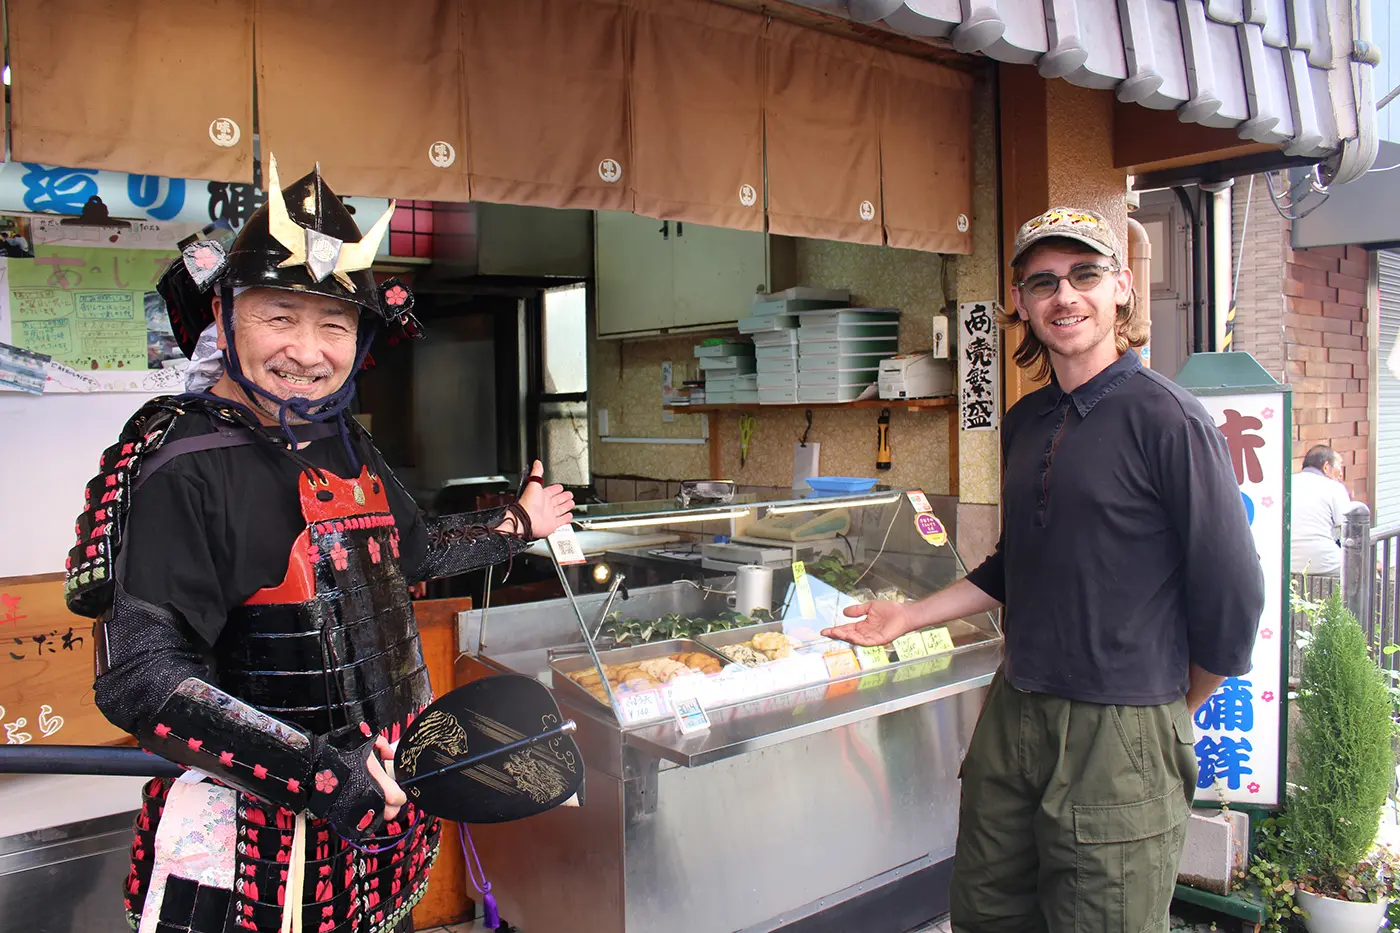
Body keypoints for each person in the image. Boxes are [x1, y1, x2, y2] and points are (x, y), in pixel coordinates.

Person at [64, 157, 575, 933]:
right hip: (255, 858)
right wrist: (319, 773)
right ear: (225, 315)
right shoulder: (178, 460)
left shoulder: (346, 446)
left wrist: (516, 524)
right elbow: (138, 675)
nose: (308, 351)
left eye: (333, 324)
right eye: (279, 315)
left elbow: (414, 553)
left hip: (382, 829)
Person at [824, 206, 1265, 933]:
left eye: (1084, 275)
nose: (1065, 295)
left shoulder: (1168, 419)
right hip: (1016, 709)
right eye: (1043, 282)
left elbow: (1232, 594)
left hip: (1120, 726)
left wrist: (1170, 710)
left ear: (1121, 288)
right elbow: (1012, 565)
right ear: (1023, 306)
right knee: (986, 912)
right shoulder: (1027, 421)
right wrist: (906, 615)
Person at [1290, 444, 1355, 576]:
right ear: (1326, 467)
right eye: (1339, 466)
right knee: (1368, 575)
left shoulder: (1286, 482)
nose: (1341, 473)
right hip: (1324, 562)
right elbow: (1350, 530)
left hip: (1285, 562)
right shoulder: (1334, 487)